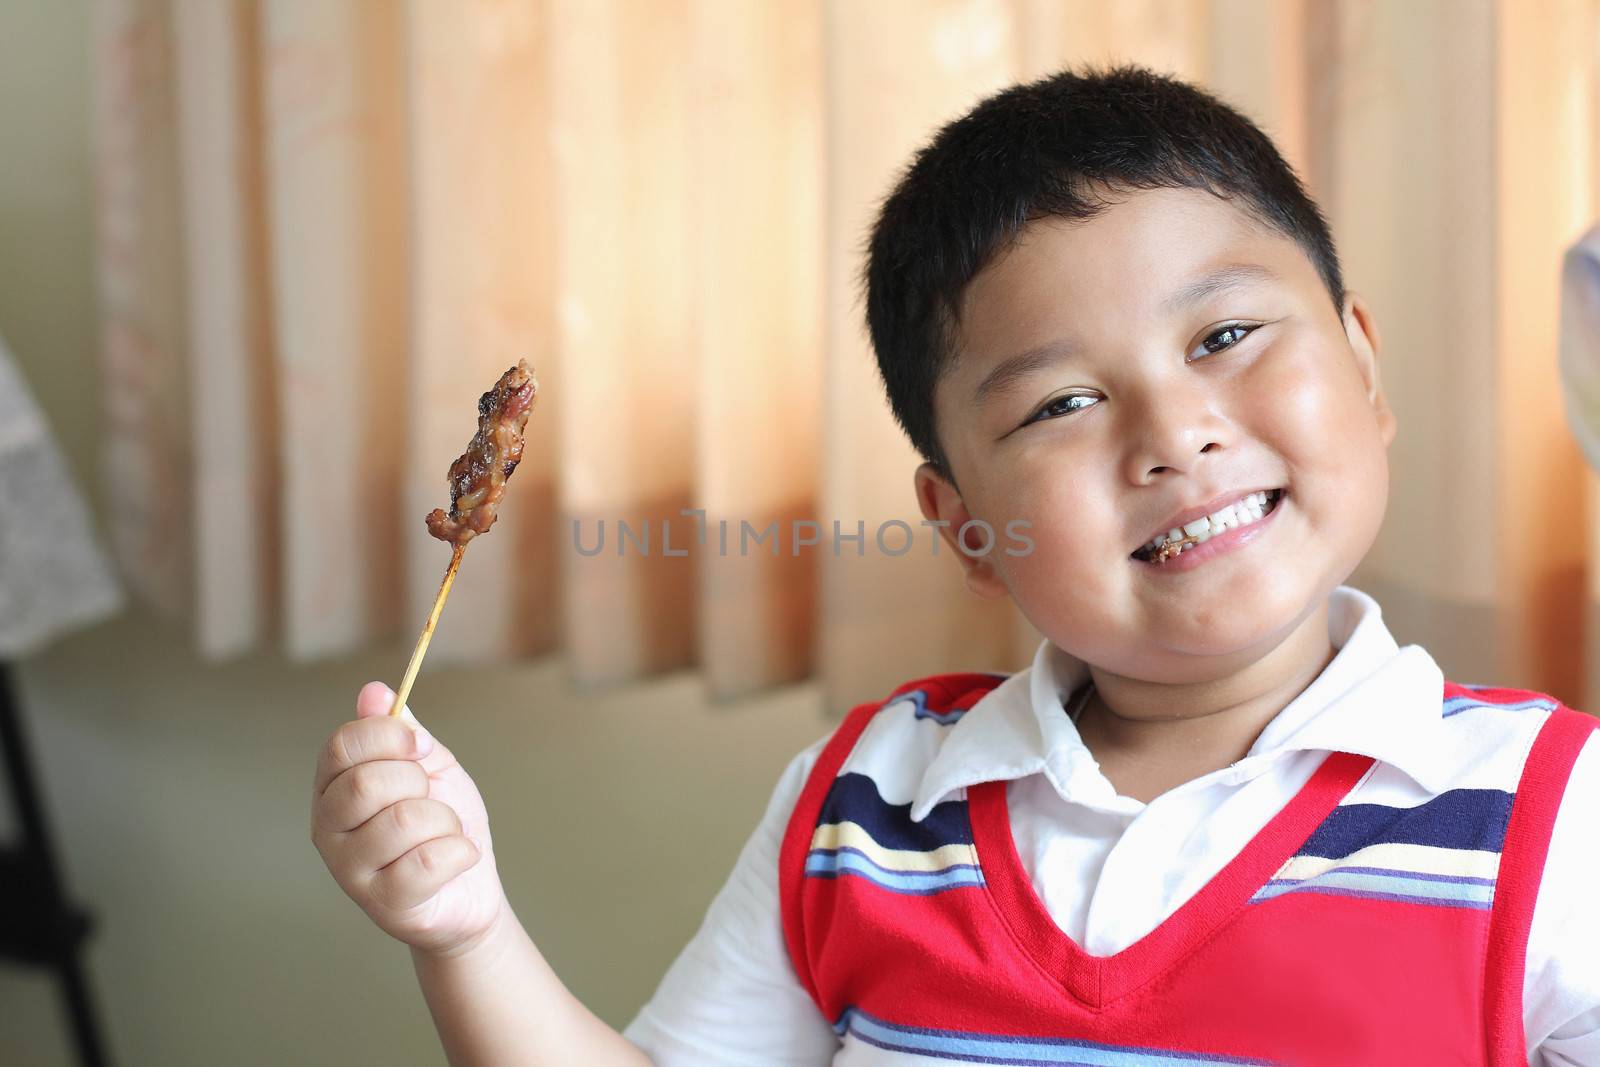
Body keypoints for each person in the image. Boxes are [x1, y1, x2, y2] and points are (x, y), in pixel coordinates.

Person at [309, 64, 1600, 1065]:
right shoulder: (866, 804)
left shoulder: (1556, 818)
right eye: (1058, 405)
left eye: (1228, 333)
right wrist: (464, 928)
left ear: (1363, 366)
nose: (1174, 433)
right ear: (963, 526)